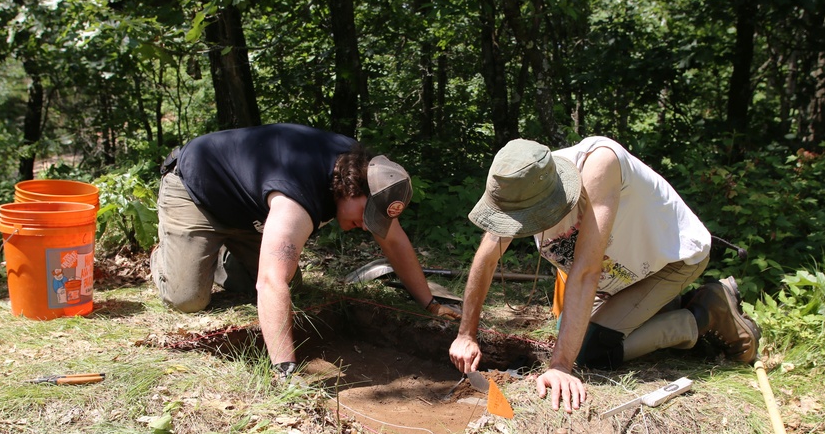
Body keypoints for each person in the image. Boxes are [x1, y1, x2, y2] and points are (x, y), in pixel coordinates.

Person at [448, 136, 760, 412]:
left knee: (589, 350)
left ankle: (707, 313)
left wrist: (560, 366)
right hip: (623, 277)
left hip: (671, 261)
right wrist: (465, 334)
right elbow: (485, 260)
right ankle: (677, 306)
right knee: (567, 327)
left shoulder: (598, 165)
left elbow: (586, 272)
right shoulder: (518, 188)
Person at [151, 123, 458, 378]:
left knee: (292, 284)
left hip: (249, 212)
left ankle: (215, 255)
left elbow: (395, 241)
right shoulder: (297, 197)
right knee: (188, 298)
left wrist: (429, 304)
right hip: (196, 193)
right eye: (366, 216)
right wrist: (285, 370)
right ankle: (167, 257)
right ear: (351, 189)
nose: (367, 227)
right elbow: (271, 281)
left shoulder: (373, 176)